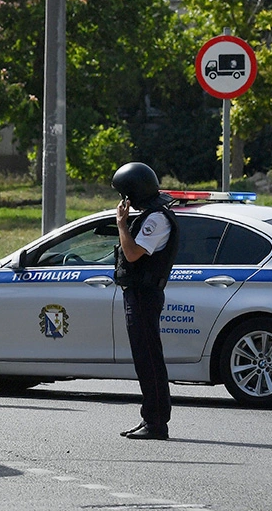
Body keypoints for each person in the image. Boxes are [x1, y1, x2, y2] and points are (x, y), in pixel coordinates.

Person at [112, 162, 179, 440]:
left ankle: (156, 423)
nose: (122, 200)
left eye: (124, 194)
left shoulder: (156, 219)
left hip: (144, 294)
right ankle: (149, 419)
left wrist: (121, 224)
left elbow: (132, 254)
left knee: (149, 358)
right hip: (138, 293)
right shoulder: (150, 216)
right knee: (145, 358)